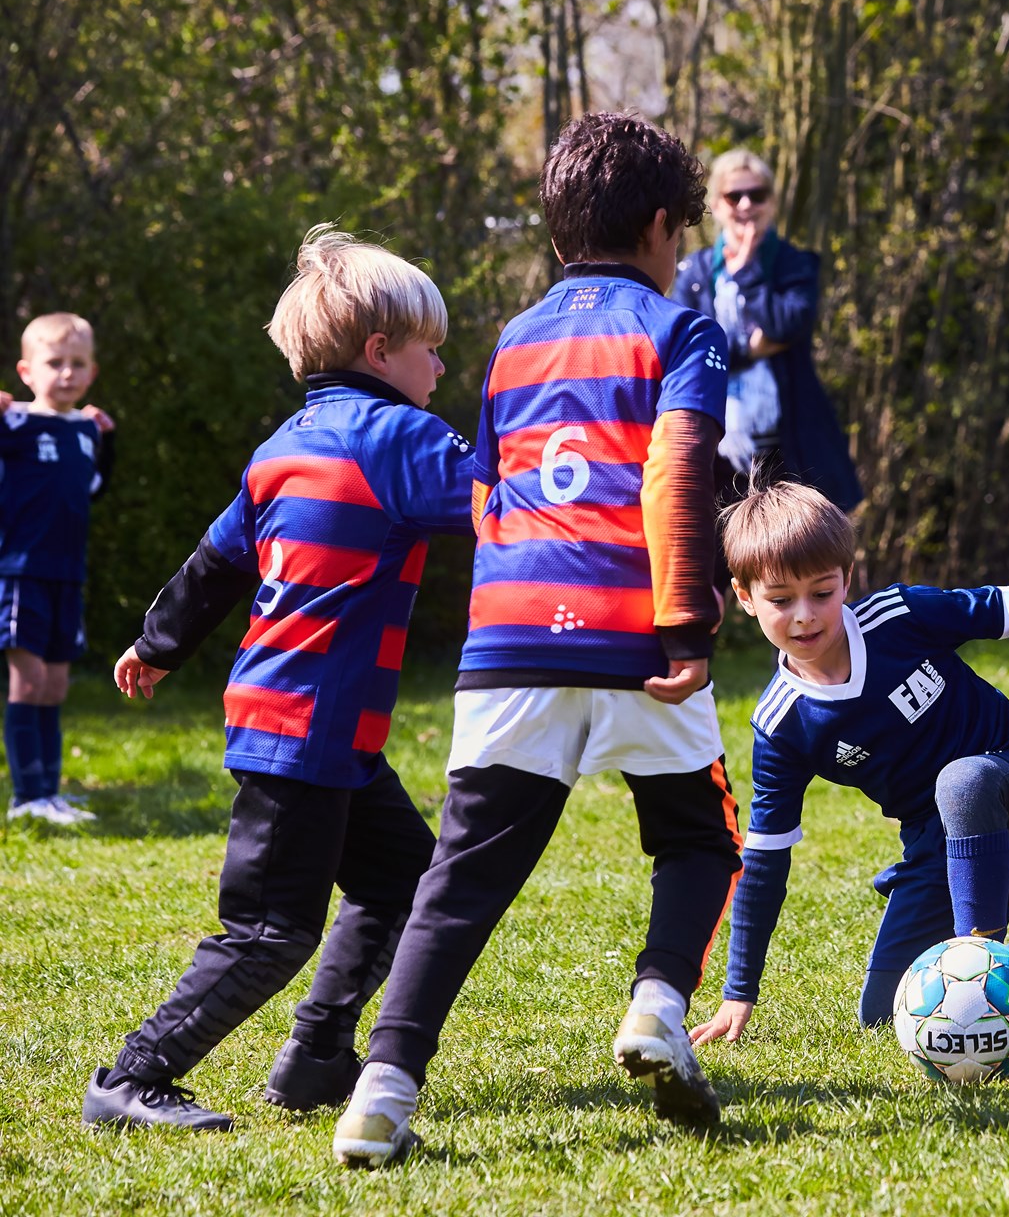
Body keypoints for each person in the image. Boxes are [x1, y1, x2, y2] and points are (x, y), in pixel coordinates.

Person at [333, 112, 737, 1167]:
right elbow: (676, 468)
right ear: (663, 226)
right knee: (700, 838)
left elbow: (486, 494)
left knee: (458, 880)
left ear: (559, 234)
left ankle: (382, 1091)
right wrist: (687, 620)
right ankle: (658, 1006)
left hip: (508, 638)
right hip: (633, 631)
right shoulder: (681, 329)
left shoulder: (512, 341)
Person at [79, 228, 474, 1131]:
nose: (442, 368)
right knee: (268, 928)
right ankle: (131, 1078)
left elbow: (217, 562)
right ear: (381, 351)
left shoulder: (283, 444)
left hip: (307, 723)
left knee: (403, 879)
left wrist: (158, 644)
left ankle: (316, 1058)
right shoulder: (398, 437)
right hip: (309, 725)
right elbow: (511, 503)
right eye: (432, 349)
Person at [688, 482, 1009, 1042]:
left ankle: (977, 961)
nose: (804, 616)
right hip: (936, 843)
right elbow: (765, 861)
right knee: (888, 1013)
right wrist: (738, 992)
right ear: (744, 597)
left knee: (962, 780)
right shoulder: (783, 724)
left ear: (846, 578)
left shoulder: (898, 618)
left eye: (822, 592)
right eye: (781, 600)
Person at [671, 148, 861, 523]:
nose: (746, 204)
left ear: (771, 202)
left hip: (787, 443)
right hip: (717, 445)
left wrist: (747, 273)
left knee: (791, 546)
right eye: (734, 196)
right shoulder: (696, 273)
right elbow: (688, 352)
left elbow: (787, 324)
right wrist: (748, 348)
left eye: (757, 194)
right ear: (717, 205)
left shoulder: (794, 264)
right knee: (720, 546)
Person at [1, 314, 116, 826]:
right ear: (27, 371)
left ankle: (49, 793)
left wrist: (109, 441)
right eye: (54, 363)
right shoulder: (14, 423)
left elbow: (93, 488)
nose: (66, 373)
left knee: (55, 685)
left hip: (68, 574)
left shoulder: (86, 430)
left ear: (92, 371)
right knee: (27, 682)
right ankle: (27, 797)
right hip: (21, 571)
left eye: (77, 363)